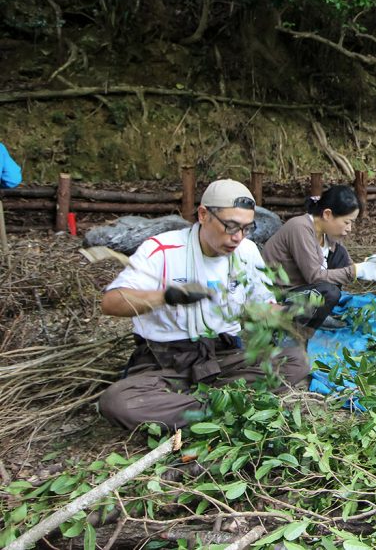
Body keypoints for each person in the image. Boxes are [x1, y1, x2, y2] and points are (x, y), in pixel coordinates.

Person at [97, 179, 309, 431]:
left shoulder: (248, 252)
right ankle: (223, 408)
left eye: (246, 228)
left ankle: (195, 410)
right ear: (203, 214)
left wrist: (284, 313)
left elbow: (262, 306)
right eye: (230, 226)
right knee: (117, 402)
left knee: (296, 361)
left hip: (222, 356)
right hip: (166, 361)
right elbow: (111, 302)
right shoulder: (163, 249)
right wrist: (166, 297)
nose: (237, 237)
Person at [262, 185, 376, 329]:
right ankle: (299, 331)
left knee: (340, 255)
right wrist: (357, 270)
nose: (349, 229)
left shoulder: (327, 234)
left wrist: (369, 264)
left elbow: (346, 266)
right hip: (282, 295)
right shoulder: (300, 228)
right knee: (329, 293)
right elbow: (315, 276)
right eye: (347, 222)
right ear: (327, 214)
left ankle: (319, 314)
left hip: (303, 287)